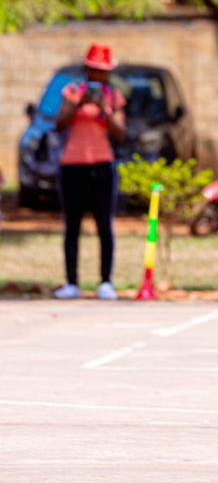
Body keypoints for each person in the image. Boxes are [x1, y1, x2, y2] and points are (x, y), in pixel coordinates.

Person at [53, 44, 126, 300]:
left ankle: (106, 281)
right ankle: (71, 282)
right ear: (85, 70)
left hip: (102, 165)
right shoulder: (72, 92)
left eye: (102, 72)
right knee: (71, 225)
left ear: (108, 74)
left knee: (104, 225)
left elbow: (120, 133)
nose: (96, 76)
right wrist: (78, 105)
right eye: (93, 70)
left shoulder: (114, 96)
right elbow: (59, 125)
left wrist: (104, 109)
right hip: (72, 166)